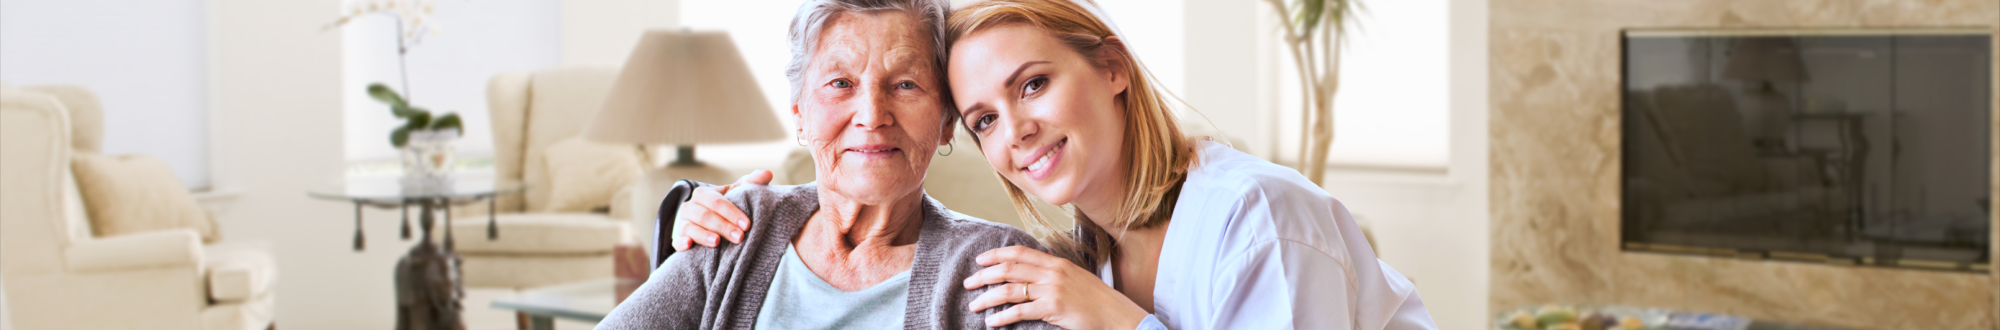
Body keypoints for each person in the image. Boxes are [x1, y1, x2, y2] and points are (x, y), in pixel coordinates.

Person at [675, 0, 1439, 329]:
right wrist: (681, 220)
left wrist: (1119, 322)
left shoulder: (1259, 219)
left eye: (1033, 84)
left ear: (1111, 67)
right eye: (986, 118)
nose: (1018, 132)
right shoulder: (1084, 256)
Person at [596, 0, 1060, 329]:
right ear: (799, 111)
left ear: (945, 121)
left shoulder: (993, 268)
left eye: (904, 85)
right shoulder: (741, 224)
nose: (873, 115)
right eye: (840, 83)